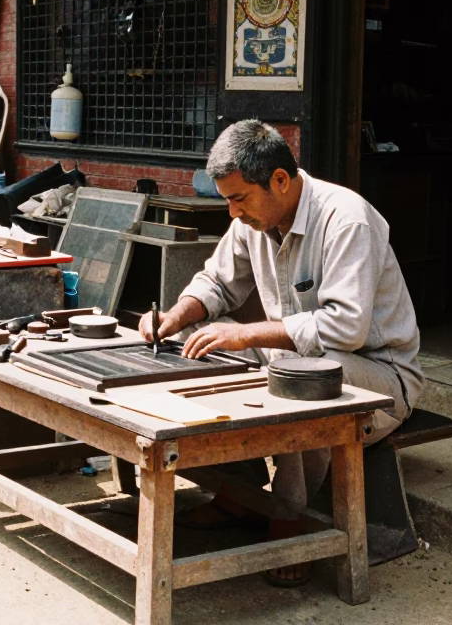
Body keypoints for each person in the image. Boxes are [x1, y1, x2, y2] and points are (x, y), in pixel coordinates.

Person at [139, 119, 422, 587]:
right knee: (202, 347)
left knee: (293, 374)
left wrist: (249, 335)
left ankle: (292, 519)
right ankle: (239, 488)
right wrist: (175, 316)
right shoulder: (256, 217)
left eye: (238, 199)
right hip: (301, 361)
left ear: (280, 181)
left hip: (382, 376)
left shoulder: (346, 219)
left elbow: (345, 329)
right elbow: (217, 281)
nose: (233, 212)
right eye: (227, 199)